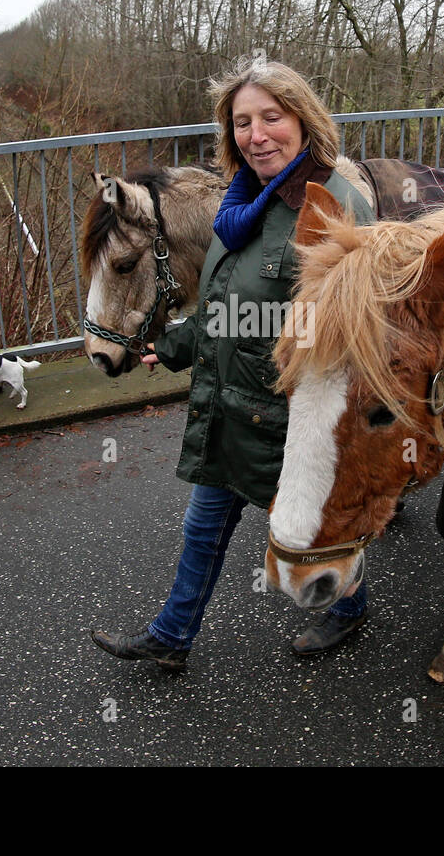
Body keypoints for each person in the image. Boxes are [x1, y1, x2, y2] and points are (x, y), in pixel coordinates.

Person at [91, 57, 375, 671]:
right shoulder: (238, 204)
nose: (257, 134)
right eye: (243, 122)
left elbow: (355, 331)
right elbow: (229, 306)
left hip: (288, 421)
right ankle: (172, 636)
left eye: (271, 118)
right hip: (229, 407)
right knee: (202, 528)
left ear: (303, 121)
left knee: (313, 533)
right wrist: (169, 345)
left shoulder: (332, 204)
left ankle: (350, 606)